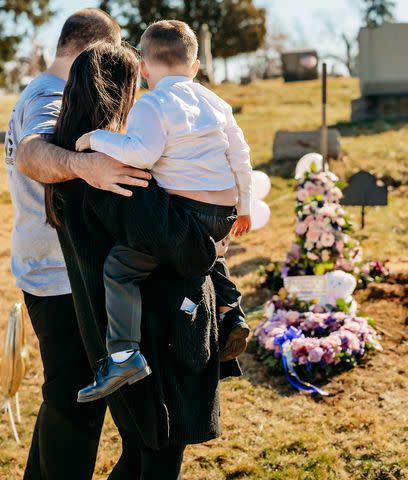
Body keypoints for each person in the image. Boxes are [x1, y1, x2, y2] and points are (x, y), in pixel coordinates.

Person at [45, 41, 233, 479]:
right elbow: (179, 244)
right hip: (157, 341)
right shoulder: (116, 171)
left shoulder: (70, 164)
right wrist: (213, 243)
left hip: (110, 337)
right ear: (124, 92)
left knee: (139, 453)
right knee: (159, 457)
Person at [7, 9, 152, 480]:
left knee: (65, 396)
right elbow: (31, 153)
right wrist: (85, 166)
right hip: (57, 276)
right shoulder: (49, 95)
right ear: (93, 51)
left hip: (52, 269)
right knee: (78, 406)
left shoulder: (44, 90)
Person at [75, 20, 253, 402]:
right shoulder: (216, 103)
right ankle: (229, 309)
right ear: (195, 66)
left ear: (143, 66)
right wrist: (246, 207)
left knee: (120, 268)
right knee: (209, 252)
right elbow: (240, 155)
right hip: (222, 212)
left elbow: (141, 153)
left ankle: (123, 354)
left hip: (184, 215)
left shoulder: (152, 103)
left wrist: (95, 139)